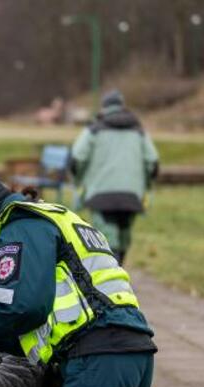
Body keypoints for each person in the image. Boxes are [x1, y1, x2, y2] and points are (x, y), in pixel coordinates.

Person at [0, 169, 157, 387]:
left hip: (95, 361)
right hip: (130, 351)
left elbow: (22, 307)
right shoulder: (50, 216)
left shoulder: (20, 227)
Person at [70, 89, 159, 264]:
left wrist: (79, 181)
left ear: (103, 108)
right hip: (132, 196)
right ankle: (119, 268)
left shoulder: (94, 130)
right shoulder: (139, 131)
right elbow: (153, 162)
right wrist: (146, 185)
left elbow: (77, 159)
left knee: (106, 240)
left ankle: (111, 277)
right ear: (122, 106)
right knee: (124, 235)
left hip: (100, 195)